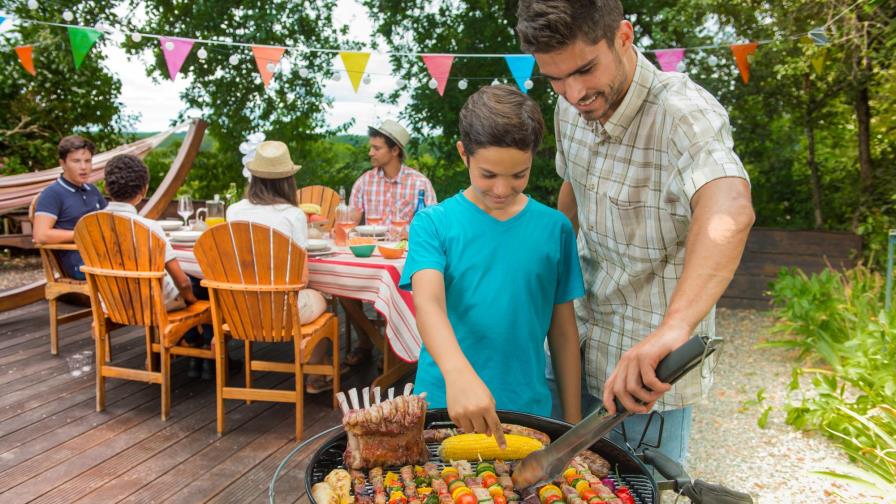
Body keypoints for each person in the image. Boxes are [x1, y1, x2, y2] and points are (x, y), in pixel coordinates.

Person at [516, 0, 756, 464]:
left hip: (644, 376)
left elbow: (730, 208)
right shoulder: (571, 109)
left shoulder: (684, 113)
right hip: (574, 343)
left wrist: (675, 328)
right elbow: (574, 190)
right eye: (555, 79)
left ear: (623, 37)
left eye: (585, 69)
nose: (573, 93)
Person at [400, 85, 585, 442]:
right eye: (488, 175)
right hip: (443, 405)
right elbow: (428, 303)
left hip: (527, 411)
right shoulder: (434, 223)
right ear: (463, 154)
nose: (502, 189)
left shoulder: (554, 228)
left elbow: (562, 331)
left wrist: (573, 423)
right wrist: (458, 374)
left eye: (519, 175)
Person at [226, 140, 332, 393]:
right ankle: (316, 375)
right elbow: (302, 278)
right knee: (324, 298)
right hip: (281, 311)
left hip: (239, 308)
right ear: (287, 180)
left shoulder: (233, 211)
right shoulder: (292, 215)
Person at [344, 119, 438, 366]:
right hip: (369, 256)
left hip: (403, 260)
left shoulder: (419, 183)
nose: (370, 152)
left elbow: (431, 230)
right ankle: (368, 342)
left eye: (376, 148)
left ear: (394, 150)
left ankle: (396, 350)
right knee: (343, 289)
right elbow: (351, 223)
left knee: (401, 284)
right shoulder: (365, 181)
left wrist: (407, 234)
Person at [33, 135, 107, 280]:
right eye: (76, 161)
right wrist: (83, 235)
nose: (84, 167)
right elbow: (40, 235)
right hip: (79, 263)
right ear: (63, 163)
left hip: (101, 254)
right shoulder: (52, 193)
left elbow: (108, 220)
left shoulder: (92, 190)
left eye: (88, 161)